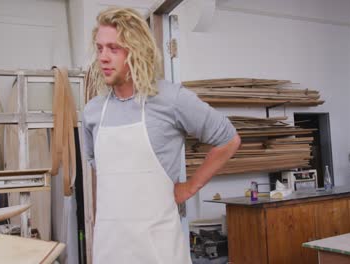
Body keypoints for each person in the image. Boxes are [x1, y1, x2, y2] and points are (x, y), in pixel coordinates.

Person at [82, 7, 241, 264]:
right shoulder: (92, 113)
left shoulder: (170, 99)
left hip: (159, 252)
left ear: (136, 49)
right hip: (109, 251)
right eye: (100, 48)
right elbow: (100, 169)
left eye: (114, 48)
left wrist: (190, 187)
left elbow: (229, 139)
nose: (103, 57)